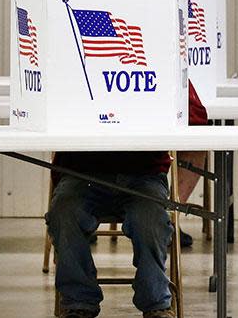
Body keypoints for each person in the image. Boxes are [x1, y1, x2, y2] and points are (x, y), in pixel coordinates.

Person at [46, 81, 208, 318]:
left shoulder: (156, 59)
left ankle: (156, 304)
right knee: (64, 213)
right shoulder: (70, 59)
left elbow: (196, 120)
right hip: (82, 172)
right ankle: (77, 303)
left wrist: (175, 204)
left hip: (144, 173)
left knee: (150, 220)